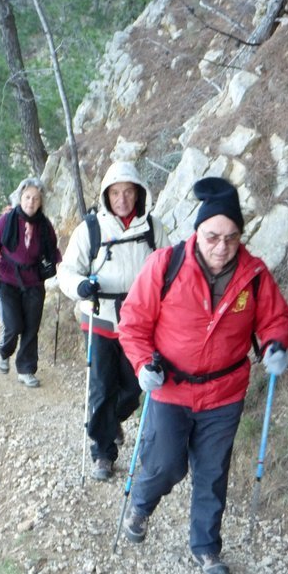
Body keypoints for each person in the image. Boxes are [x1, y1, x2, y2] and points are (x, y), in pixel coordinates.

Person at [118, 176, 288, 574]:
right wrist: (144, 363)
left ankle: (206, 547)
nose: (222, 247)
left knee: (213, 473)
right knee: (165, 465)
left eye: (232, 238)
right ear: (197, 231)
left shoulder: (254, 275)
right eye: (213, 236)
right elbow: (133, 322)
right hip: (169, 387)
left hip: (224, 393)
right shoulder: (165, 265)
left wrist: (275, 346)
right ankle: (141, 505)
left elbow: (274, 319)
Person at [57, 161, 170, 481]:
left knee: (134, 387)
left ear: (138, 195)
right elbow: (66, 271)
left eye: (129, 192)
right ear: (107, 195)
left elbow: (171, 266)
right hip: (100, 318)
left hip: (141, 321)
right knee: (102, 388)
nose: (122, 199)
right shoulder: (90, 229)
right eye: (116, 192)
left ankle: (109, 421)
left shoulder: (153, 228)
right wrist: (80, 287)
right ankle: (103, 453)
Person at [0, 177, 61, 388]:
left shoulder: (45, 226)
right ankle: (4, 351)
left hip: (34, 281)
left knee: (31, 328)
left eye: (36, 198)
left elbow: (53, 251)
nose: (31, 202)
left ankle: (26, 370)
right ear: (20, 197)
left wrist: (61, 266)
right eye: (27, 197)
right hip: (7, 279)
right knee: (14, 325)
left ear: (41, 201)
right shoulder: (6, 221)